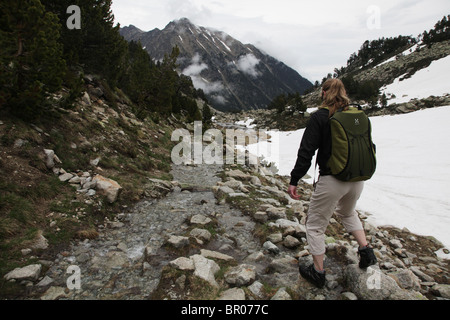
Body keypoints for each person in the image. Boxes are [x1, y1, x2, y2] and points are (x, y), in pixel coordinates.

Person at [287, 78, 377, 288]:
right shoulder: (355, 115)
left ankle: (318, 272)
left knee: (315, 227)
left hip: (332, 180)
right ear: (343, 92)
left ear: (324, 93)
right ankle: (366, 251)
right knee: (348, 213)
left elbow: (306, 151)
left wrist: (294, 179)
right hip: (357, 179)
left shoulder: (320, 116)